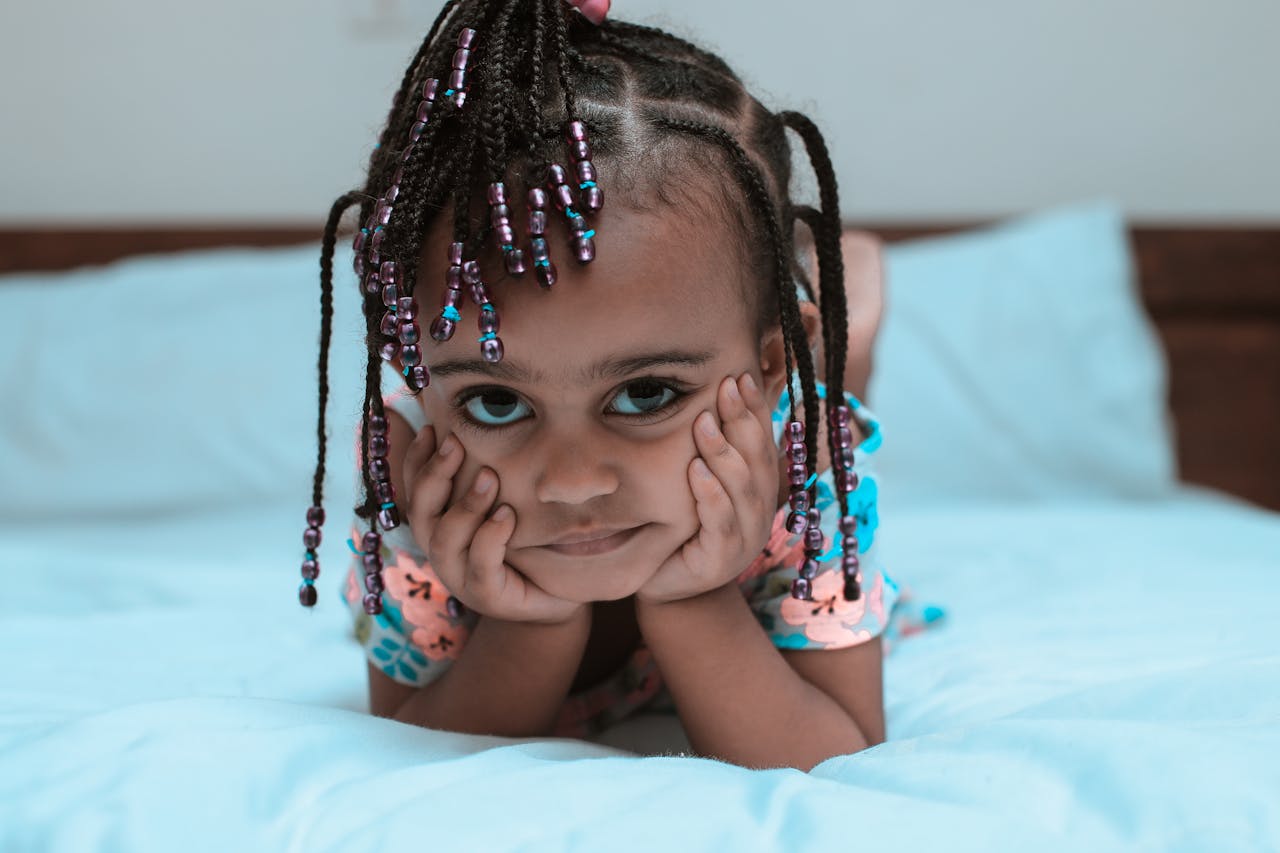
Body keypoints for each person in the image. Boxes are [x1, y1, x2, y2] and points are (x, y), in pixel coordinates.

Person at [296, 0, 945, 771]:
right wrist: (528, 625)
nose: (573, 482)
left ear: (771, 366)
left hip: (785, 406)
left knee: (840, 384)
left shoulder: (803, 473)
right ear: (419, 374)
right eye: (495, 401)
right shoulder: (414, 474)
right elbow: (413, 742)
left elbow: (841, 751)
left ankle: (849, 317)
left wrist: (695, 602)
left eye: (646, 394)